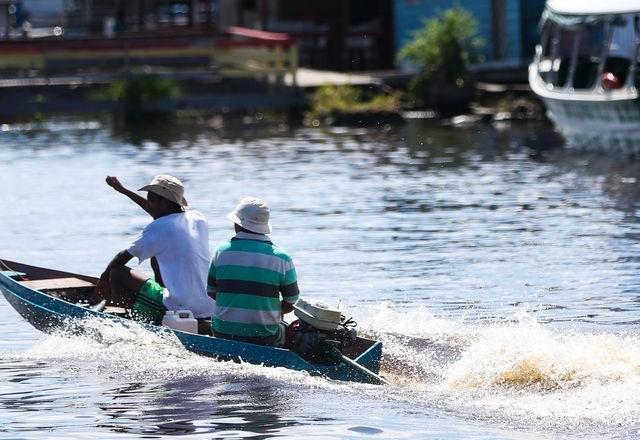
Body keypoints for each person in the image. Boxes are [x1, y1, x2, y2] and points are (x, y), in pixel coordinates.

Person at [100, 174, 215, 325]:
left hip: (180, 306)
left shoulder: (159, 227)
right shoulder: (198, 218)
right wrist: (123, 190)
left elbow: (123, 256)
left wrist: (103, 279)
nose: (148, 204)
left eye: (151, 199)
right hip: (209, 306)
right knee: (156, 253)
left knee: (116, 273)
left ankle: (131, 322)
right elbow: (156, 212)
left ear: (164, 201)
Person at [208, 197, 300, 346]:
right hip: (264, 337)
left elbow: (212, 292)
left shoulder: (221, 252)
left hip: (222, 332)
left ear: (237, 224)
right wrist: (268, 312)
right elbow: (291, 302)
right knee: (290, 330)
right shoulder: (282, 258)